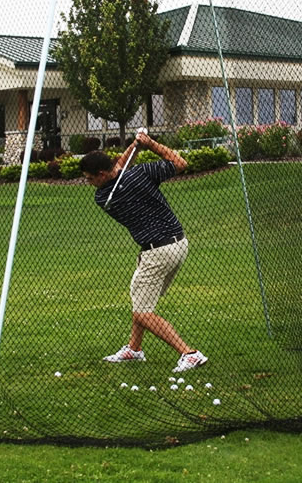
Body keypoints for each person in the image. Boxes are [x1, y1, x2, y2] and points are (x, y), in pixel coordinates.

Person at [79, 133, 208, 374]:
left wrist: (136, 147)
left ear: (101, 175)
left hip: (157, 252)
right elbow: (180, 163)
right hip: (178, 244)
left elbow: (118, 167)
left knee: (143, 312)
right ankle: (134, 349)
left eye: (89, 179)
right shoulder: (139, 175)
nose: (89, 183)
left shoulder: (104, 196)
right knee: (140, 299)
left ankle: (189, 353)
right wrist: (148, 145)